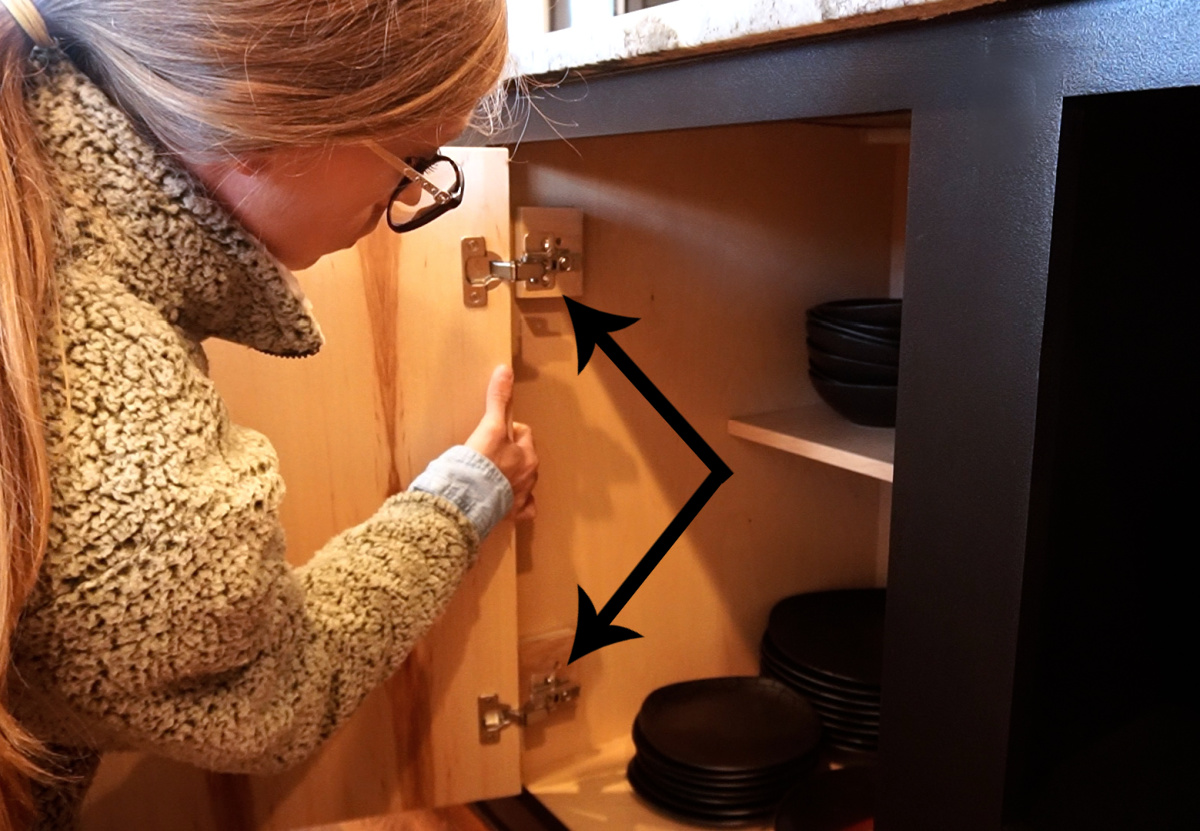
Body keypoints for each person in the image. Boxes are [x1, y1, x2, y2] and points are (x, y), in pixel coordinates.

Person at [0, 1, 538, 829]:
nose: (406, 203)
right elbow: (279, 685)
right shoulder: (136, 479)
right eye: (415, 162)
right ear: (271, 113)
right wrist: (467, 493)